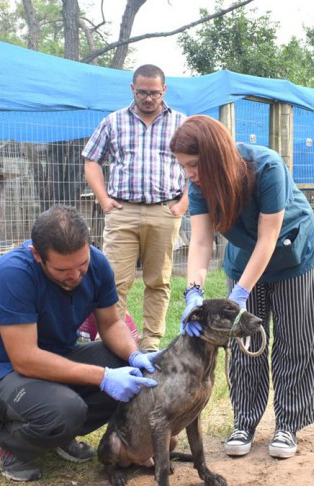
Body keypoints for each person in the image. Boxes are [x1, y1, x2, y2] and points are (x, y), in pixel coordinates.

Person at [0, 205, 159, 482]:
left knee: (131, 370)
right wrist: (104, 377)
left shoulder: (97, 263)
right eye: (63, 269)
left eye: (81, 265)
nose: (75, 276)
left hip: (52, 358)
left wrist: (135, 356)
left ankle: (56, 434)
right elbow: (25, 358)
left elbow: (111, 323)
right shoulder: (13, 274)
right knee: (65, 410)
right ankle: (10, 441)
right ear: (37, 255)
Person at [169, 115, 314, 460]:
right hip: (243, 258)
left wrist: (238, 296)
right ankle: (245, 420)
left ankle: (288, 423)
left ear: (213, 156)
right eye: (184, 167)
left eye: (194, 165)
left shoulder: (266, 167)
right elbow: (201, 242)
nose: (189, 174)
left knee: (294, 337)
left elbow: (268, 238)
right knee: (243, 341)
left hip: (291, 252)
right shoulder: (198, 186)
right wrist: (193, 289)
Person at [82, 64, 187, 353]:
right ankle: (112, 344)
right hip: (123, 212)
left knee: (159, 281)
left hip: (164, 212)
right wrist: (104, 200)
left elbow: (198, 163)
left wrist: (184, 203)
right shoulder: (114, 122)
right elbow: (92, 160)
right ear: (132, 89)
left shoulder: (181, 122)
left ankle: (151, 344)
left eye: (154, 92)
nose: (149, 98)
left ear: (164, 90)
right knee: (113, 282)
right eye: (142, 92)